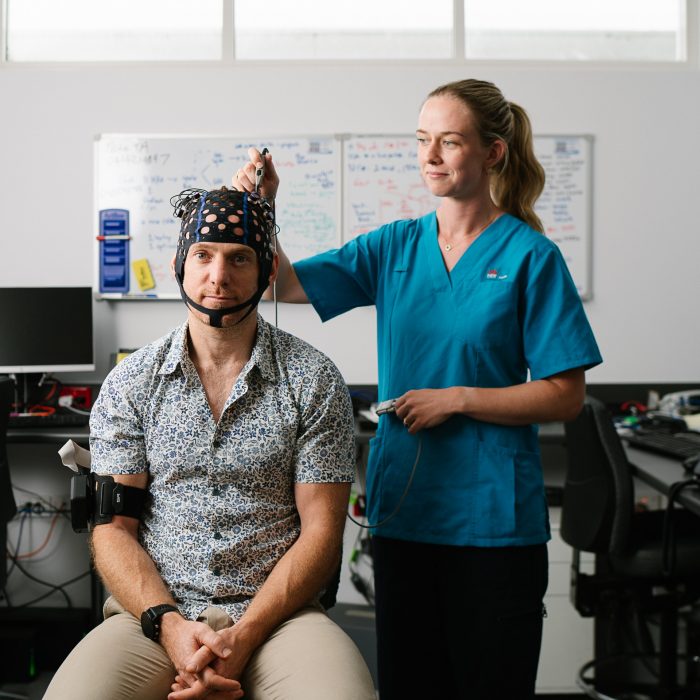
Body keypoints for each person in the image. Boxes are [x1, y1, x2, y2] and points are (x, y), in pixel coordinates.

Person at [234, 79, 603, 699]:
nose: (430, 155)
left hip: (493, 526)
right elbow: (287, 285)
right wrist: (264, 208)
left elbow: (565, 395)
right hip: (406, 515)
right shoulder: (395, 247)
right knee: (409, 684)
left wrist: (457, 398)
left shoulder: (532, 257)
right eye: (423, 140)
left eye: (450, 142)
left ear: (494, 153)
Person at [45, 186, 376, 700]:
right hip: (152, 616)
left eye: (239, 258)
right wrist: (171, 627)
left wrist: (243, 637)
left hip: (278, 619)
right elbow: (114, 531)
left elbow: (321, 535)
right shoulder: (131, 382)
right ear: (180, 264)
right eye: (203, 255)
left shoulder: (314, 380)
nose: (218, 277)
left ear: (267, 273)